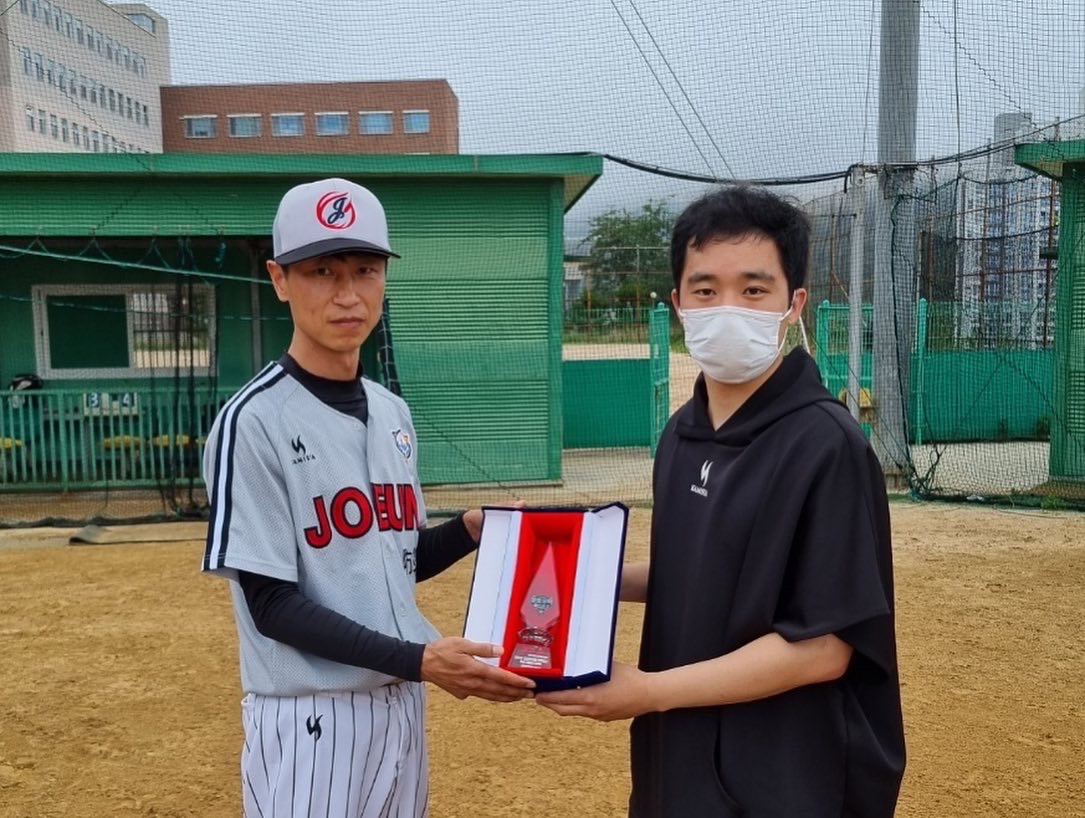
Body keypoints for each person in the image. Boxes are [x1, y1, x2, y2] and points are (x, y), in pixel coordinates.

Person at [538, 186, 905, 817]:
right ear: (679, 303)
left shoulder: (827, 445)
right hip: (678, 761)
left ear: (794, 304)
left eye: (754, 289)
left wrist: (647, 691)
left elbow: (823, 646)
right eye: (706, 290)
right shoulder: (681, 434)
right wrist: (582, 572)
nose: (728, 308)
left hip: (784, 775)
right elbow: (700, 573)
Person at [201, 178, 534, 818]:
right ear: (279, 279)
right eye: (322, 271)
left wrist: (466, 530)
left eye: (365, 269)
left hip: (402, 701)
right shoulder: (253, 421)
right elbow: (271, 605)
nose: (348, 294)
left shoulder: (391, 412)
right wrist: (420, 659)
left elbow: (390, 561)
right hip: (310, 718)